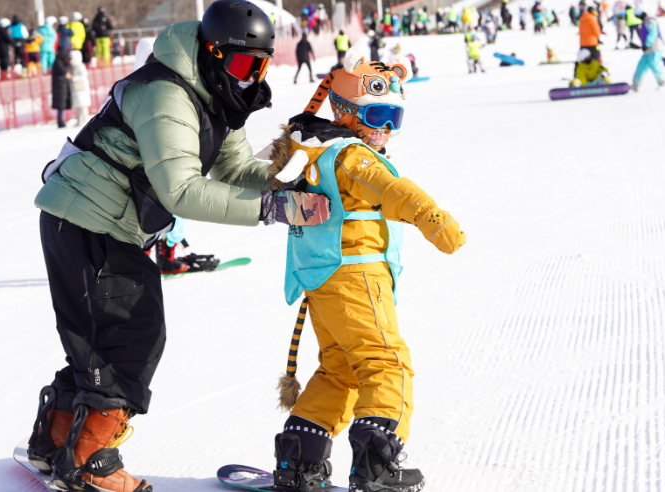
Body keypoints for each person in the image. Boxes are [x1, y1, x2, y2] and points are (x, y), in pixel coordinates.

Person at [25, 2, 331, 492]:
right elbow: (182, 190)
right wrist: (272, 210)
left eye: (261, 65)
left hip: (99, 220)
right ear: (211, 54)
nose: (250, 77)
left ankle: (58, 439)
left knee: (103, 335)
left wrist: (292, 178)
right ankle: (88, 459)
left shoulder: (217, 92)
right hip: (84, 219)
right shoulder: (167, 94)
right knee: (132, 335)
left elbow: (233, 170)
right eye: (240, 65)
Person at [264, 46, 465, 492]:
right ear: (347, 111)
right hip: (357, 275)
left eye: (396, 118)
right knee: (385, 362)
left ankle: (300, 457)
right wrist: (436, 221)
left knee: (341, 369)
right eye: (377, 117)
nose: (386, 130)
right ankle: (377, 464)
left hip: (322, 281)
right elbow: (392, 189)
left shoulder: (316, 150)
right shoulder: (353, 156)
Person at [633, 12, 665, 90]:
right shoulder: (644, 23)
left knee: (654, 64)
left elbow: (653, 32)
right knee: (641, 66)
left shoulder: (650, 21)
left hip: (654, 47)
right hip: (648, 49)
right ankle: (636, 85)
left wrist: (647, 44)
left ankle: (662, 83)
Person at [69, 51, 91, 126]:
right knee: (79, 107)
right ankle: (79, 121)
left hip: (82, 90)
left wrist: (73, 78)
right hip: (77, 90)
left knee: (83, 107)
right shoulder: (74, 67)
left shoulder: (80, 66)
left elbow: (83, 76)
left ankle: (84, 120)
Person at [50, 52, 71, 128]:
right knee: (60, 106)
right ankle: (60, 122)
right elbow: (62, 71)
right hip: (59, 88)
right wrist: (68, 65)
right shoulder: (58, 63)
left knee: (61, 106)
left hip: (60, 87)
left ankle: (61, 121)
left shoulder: (58, 62)